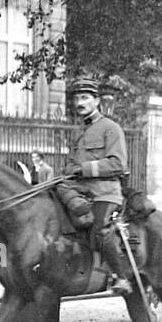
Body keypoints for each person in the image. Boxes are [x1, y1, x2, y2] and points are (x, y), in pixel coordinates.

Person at [65, 78, 135, 295]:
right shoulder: (78, 132)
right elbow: (71, 164)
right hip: (79, 192)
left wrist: (84, 169)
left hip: (104, 193)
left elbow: (117, 164)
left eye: (85, 97)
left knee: (100, 231)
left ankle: (121, 277)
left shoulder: (110, 128)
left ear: (96, 101)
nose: (80, 102)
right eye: (77, 98)